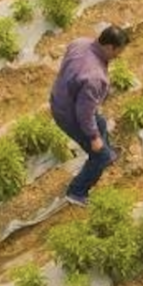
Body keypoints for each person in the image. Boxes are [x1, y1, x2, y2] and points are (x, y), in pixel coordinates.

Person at [50, 25, 131, 207]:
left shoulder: (80, 43)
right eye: (119, 50)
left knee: (100, 122)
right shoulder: (95, 77)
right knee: (98, 156)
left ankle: (108, 153)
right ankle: (77, 191)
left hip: (61, 98)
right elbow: (84, 114)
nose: (120, 55)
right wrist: (94, 137)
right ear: (110, 47)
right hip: (70, 115)